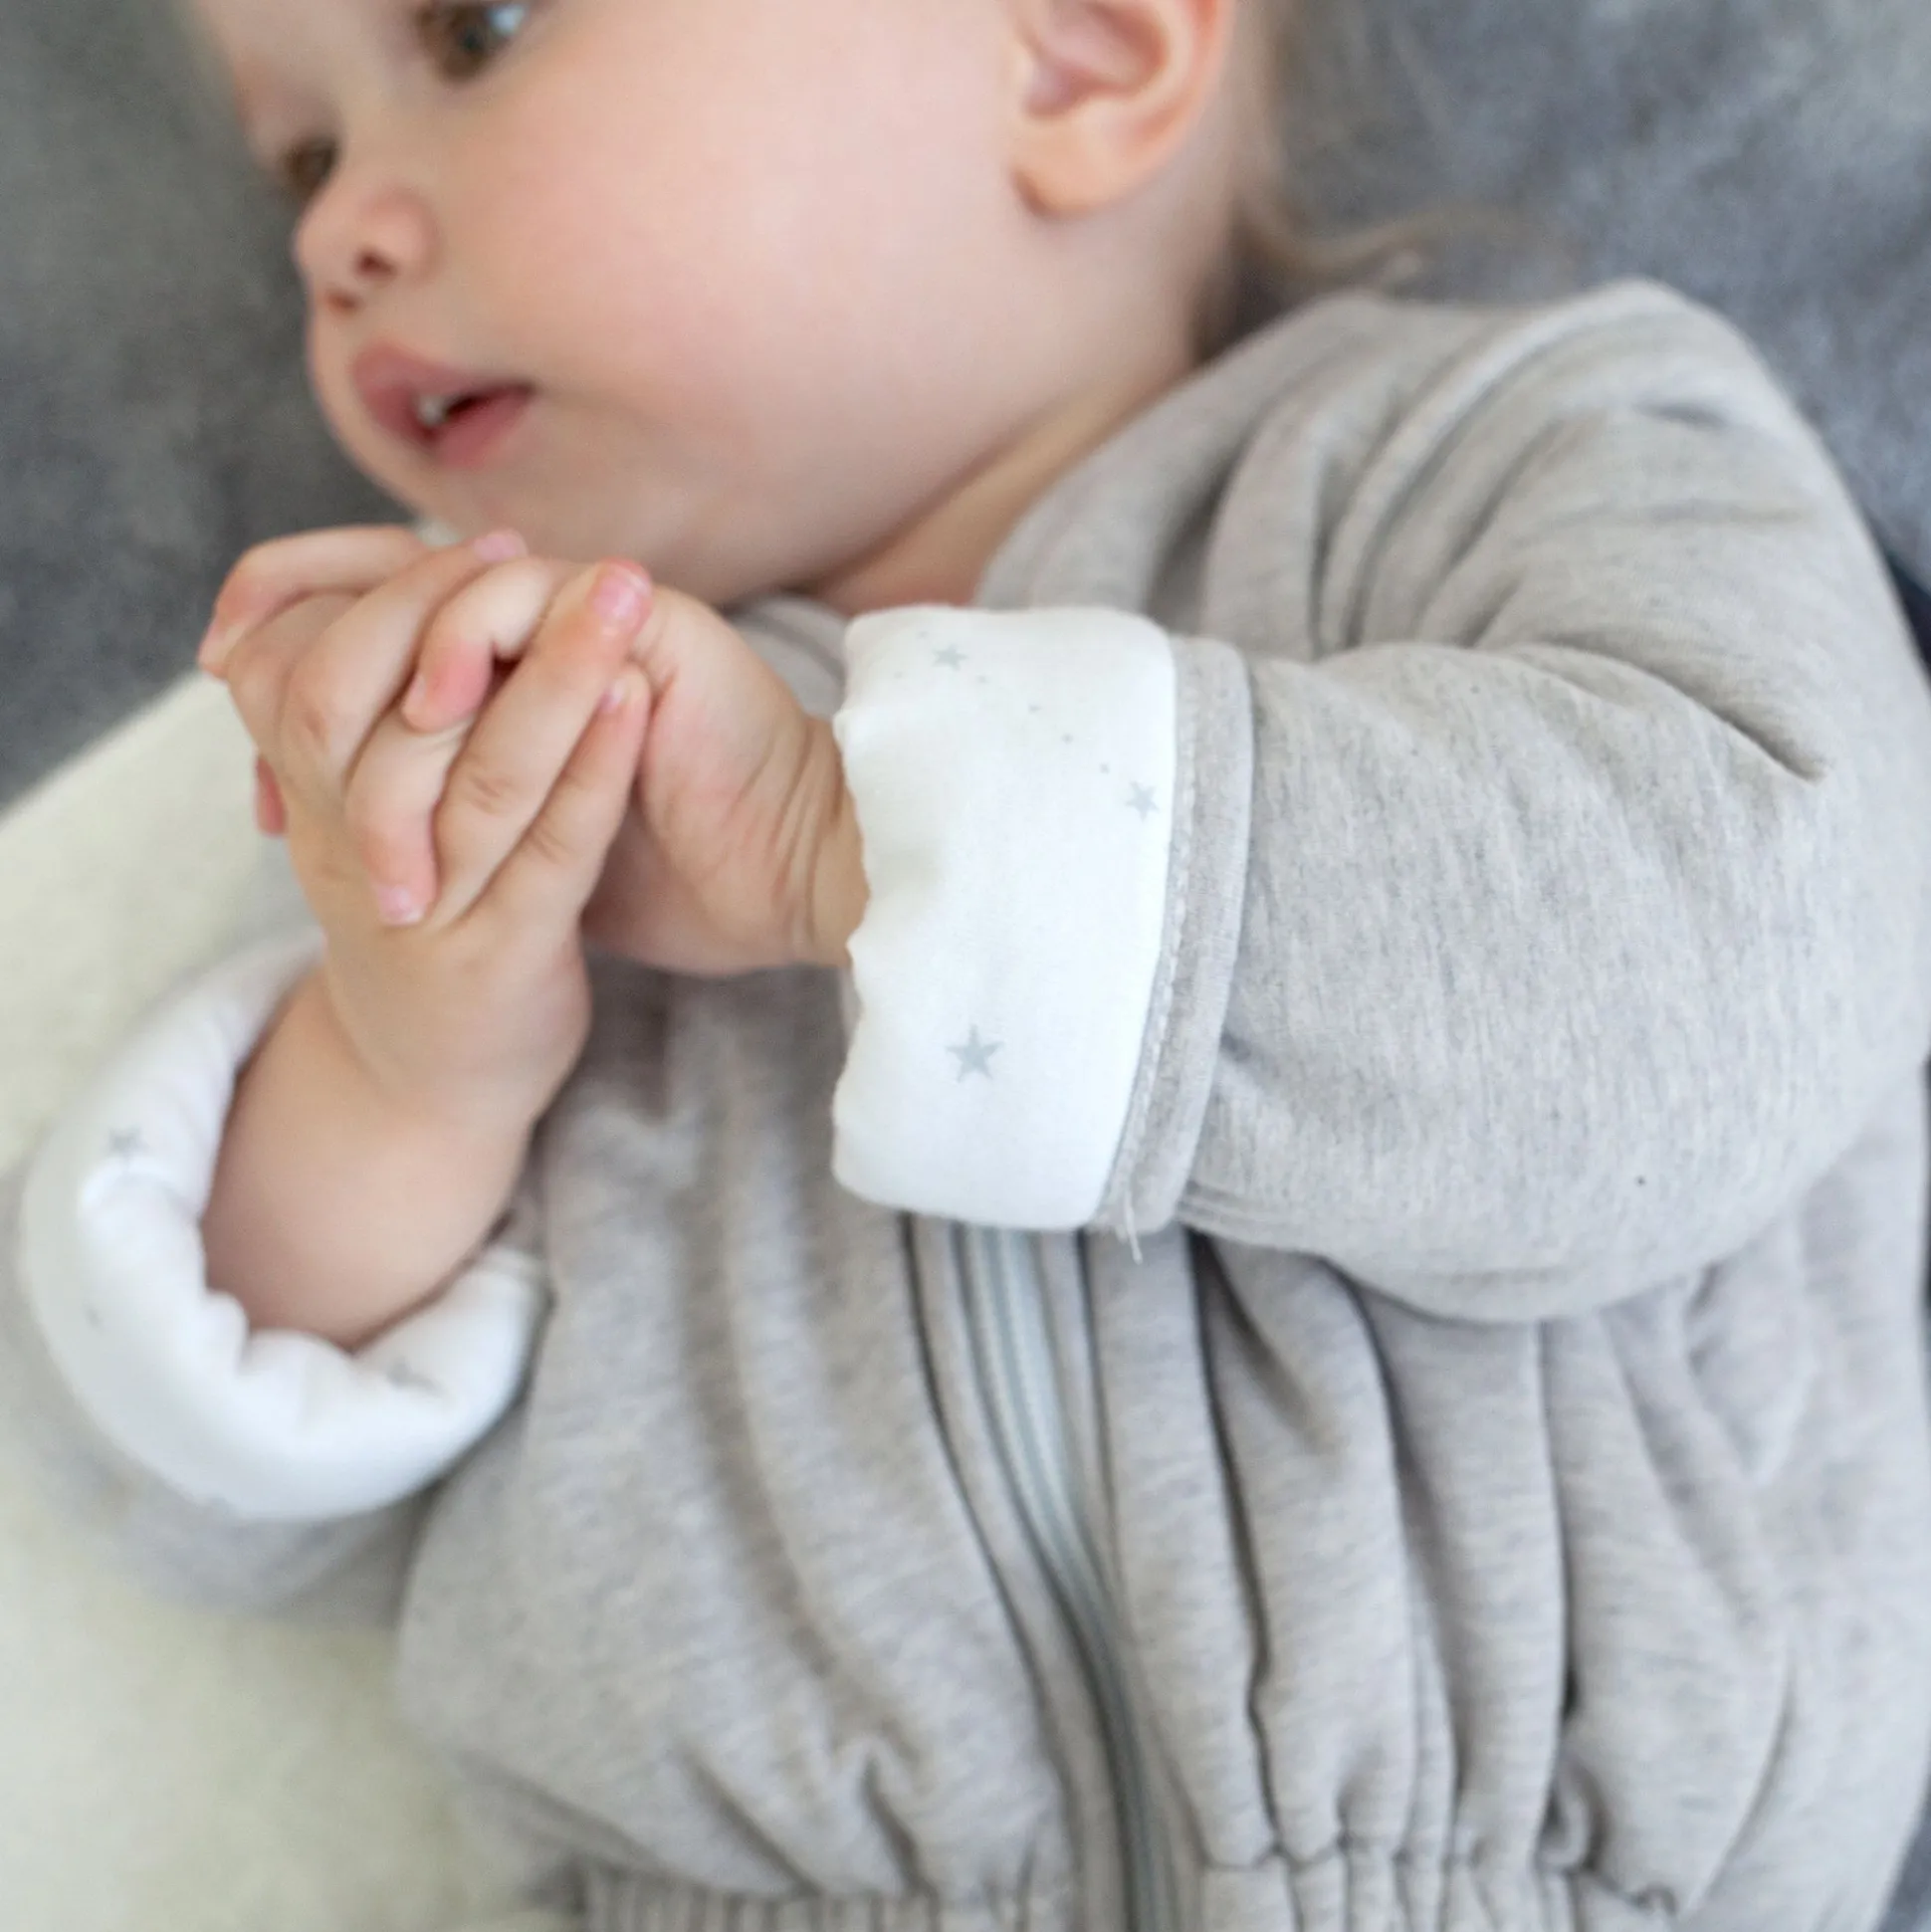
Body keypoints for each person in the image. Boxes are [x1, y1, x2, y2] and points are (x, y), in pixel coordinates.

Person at [5, 0, 1931, 1925]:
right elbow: (202, 1489)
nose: (330, 237)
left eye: (475, 29)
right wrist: (410, 1070)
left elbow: (1752, 963)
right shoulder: (508, 756)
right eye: (303, 156)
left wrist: (844, 842)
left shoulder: (1526, 448)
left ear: (1078, 56)